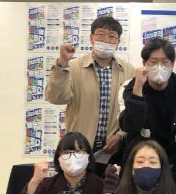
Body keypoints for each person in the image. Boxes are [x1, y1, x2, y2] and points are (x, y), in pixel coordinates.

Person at [45, 16, 134, 153]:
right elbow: (56, 98)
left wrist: (121, 135)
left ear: (118, 42)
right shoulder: (73, 67)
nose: (106, 40)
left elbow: (132, 110)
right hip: (79, 148)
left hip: (114, 150)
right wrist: (62, 64)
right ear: (91, 38)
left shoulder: (129, 71)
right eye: (100, 35)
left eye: (112, 36)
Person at [120, 38, 176, 171]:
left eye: (165, 62)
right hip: (139, 159)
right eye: (153, 62)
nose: (159, 67)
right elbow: (130, 127)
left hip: (171, 160)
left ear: (172, 65)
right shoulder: (132, 87)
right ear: (144, 63)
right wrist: (138, 88)